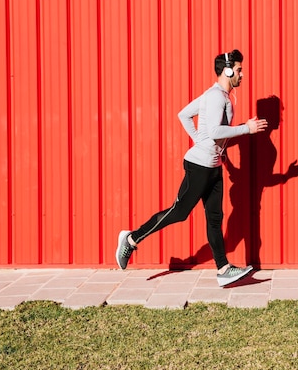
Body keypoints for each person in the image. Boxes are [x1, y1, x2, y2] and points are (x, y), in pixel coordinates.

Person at [115, 49, 268, 287]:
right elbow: (214, 131)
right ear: (227, 71)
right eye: (239, 70)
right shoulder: (216, 96)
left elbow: (184, 115)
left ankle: (224, 269)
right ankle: (132, 238)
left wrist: (211, 145)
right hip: (199, 165)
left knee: (215, 218)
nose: (242, 74)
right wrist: (245, 129)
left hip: (213, 164)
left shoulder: (217, 95)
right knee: (180, 211)